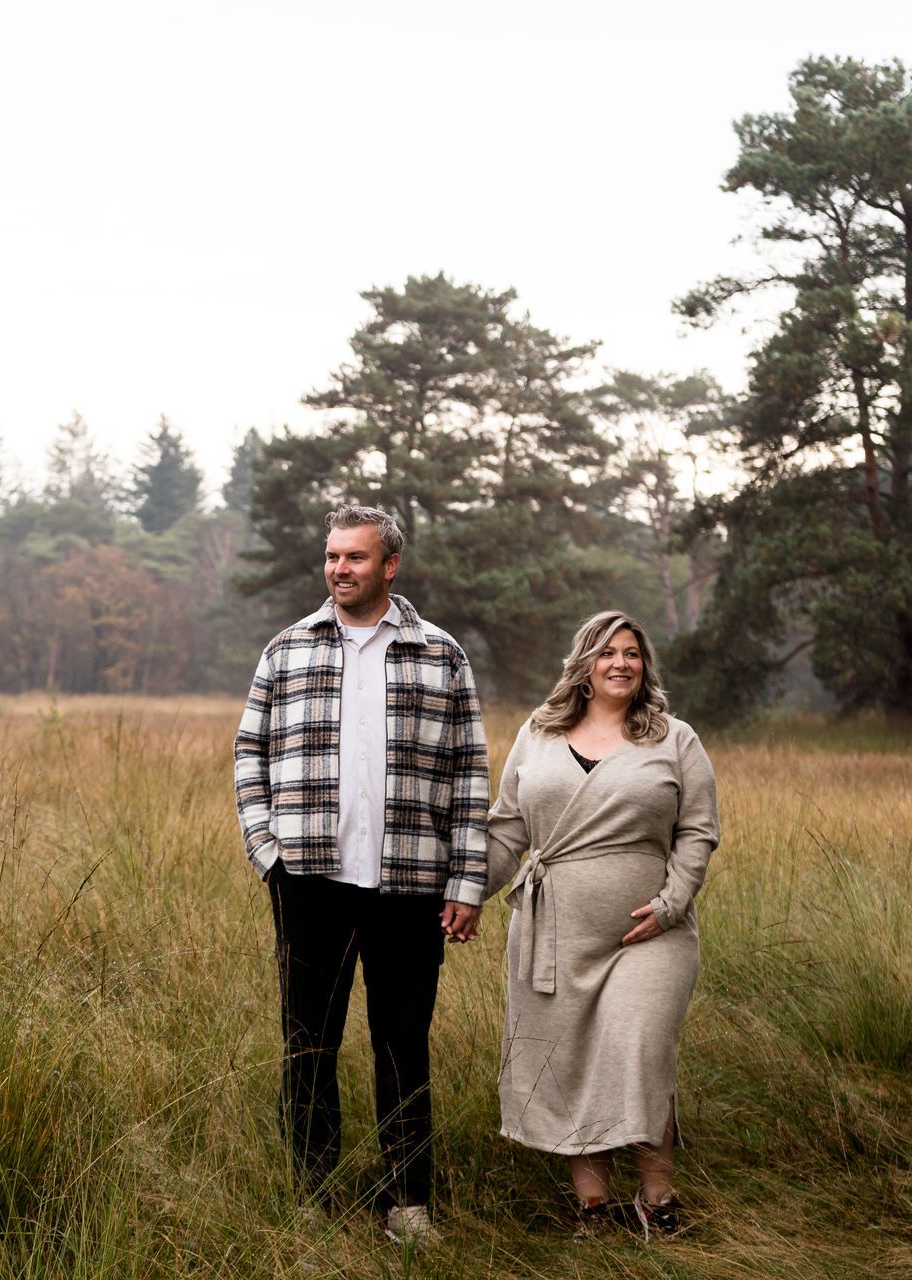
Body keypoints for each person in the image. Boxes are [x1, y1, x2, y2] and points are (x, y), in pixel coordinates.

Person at [233, 505, 497, 1245]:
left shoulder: (440, 654)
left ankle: (407, 1203)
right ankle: (311, 1196)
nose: (339, 569)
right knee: (308, 1046)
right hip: (309, 881)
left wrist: (466, 882)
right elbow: (249, 753)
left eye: (355, 557)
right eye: (332, 556)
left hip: (410, 887)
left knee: (402, 1046)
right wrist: (268, 853)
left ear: (390, 565)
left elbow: (469, 772)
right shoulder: (287, 649)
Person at [490, 610, 720, 1237]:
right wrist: (462, 895)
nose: (621, 663)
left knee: (639, 1050)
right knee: (572, 1059)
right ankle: (591, 1207)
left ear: (645, 667)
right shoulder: (538, 733)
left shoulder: (674, 738)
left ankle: (658, 1201)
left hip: (649, 935)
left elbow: (698, 831)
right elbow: (507, 831)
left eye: (632, 653)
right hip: (554, 935)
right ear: (584, 665)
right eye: (608, 652)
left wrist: (671, 904)